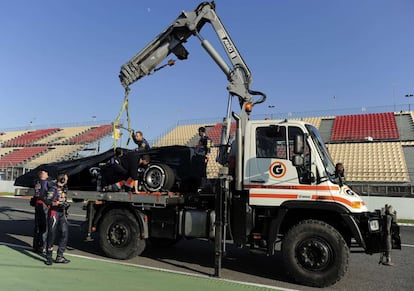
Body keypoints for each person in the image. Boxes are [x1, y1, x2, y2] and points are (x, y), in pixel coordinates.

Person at [45, 173, 70, 265]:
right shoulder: (53, 188)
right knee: (52, 234)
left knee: (65, 233)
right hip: (54, 213)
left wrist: (65, 204)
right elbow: (48, 200)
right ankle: (49, 256)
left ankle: (60, 256)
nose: (67, 180)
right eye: (66, 178)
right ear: (62, 179)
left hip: (62, 213)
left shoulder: (65, 188)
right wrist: (57, 203)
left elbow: (64, 199)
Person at [31, 170, 52, 254]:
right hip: (43, 205)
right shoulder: (45, 182)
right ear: (43, 175)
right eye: (46, 173)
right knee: (45, 227)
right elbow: (43, 195)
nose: (48, 174)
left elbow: (37, 194)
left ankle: (36, 246)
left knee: (37, 226)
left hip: (37, 204)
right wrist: (49, 203)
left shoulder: (37, 182)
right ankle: (42, 246)